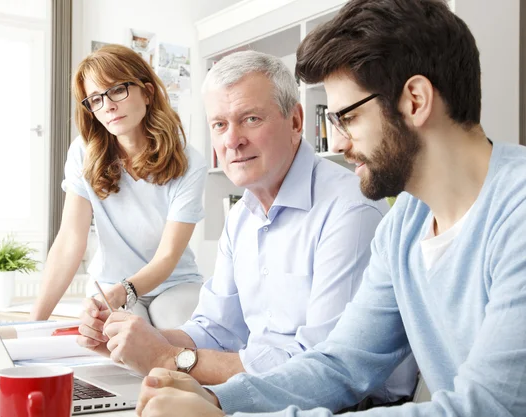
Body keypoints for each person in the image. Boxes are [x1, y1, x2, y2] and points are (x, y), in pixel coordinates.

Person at [133, 0, 526, 416]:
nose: (336, 144)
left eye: (348, 119)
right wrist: (217, 400)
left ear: (414, 100)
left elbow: (487, 407)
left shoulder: (516, 214)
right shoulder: (404, 226)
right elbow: (340, 365)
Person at [77, 50, 417, 404]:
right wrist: (130, 341)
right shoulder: (242, 216)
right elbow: (216, 329)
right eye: (219, 124)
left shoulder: (350, 210)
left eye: (251, 119)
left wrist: (166, 358)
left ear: (296, 121)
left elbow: (321, 372)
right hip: (266, 396)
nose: (231, 140)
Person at [29, 44, 207, 330]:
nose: (108, 105)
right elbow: (70, 242)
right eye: (95, 99)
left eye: (116, 90)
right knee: (123, 338)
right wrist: (34, 325)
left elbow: (168, 256)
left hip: (174, 283)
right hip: (110, 284)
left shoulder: (189, 162)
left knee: (173, 331)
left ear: (147, 92)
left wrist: (125, 290)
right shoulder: (83, 153)